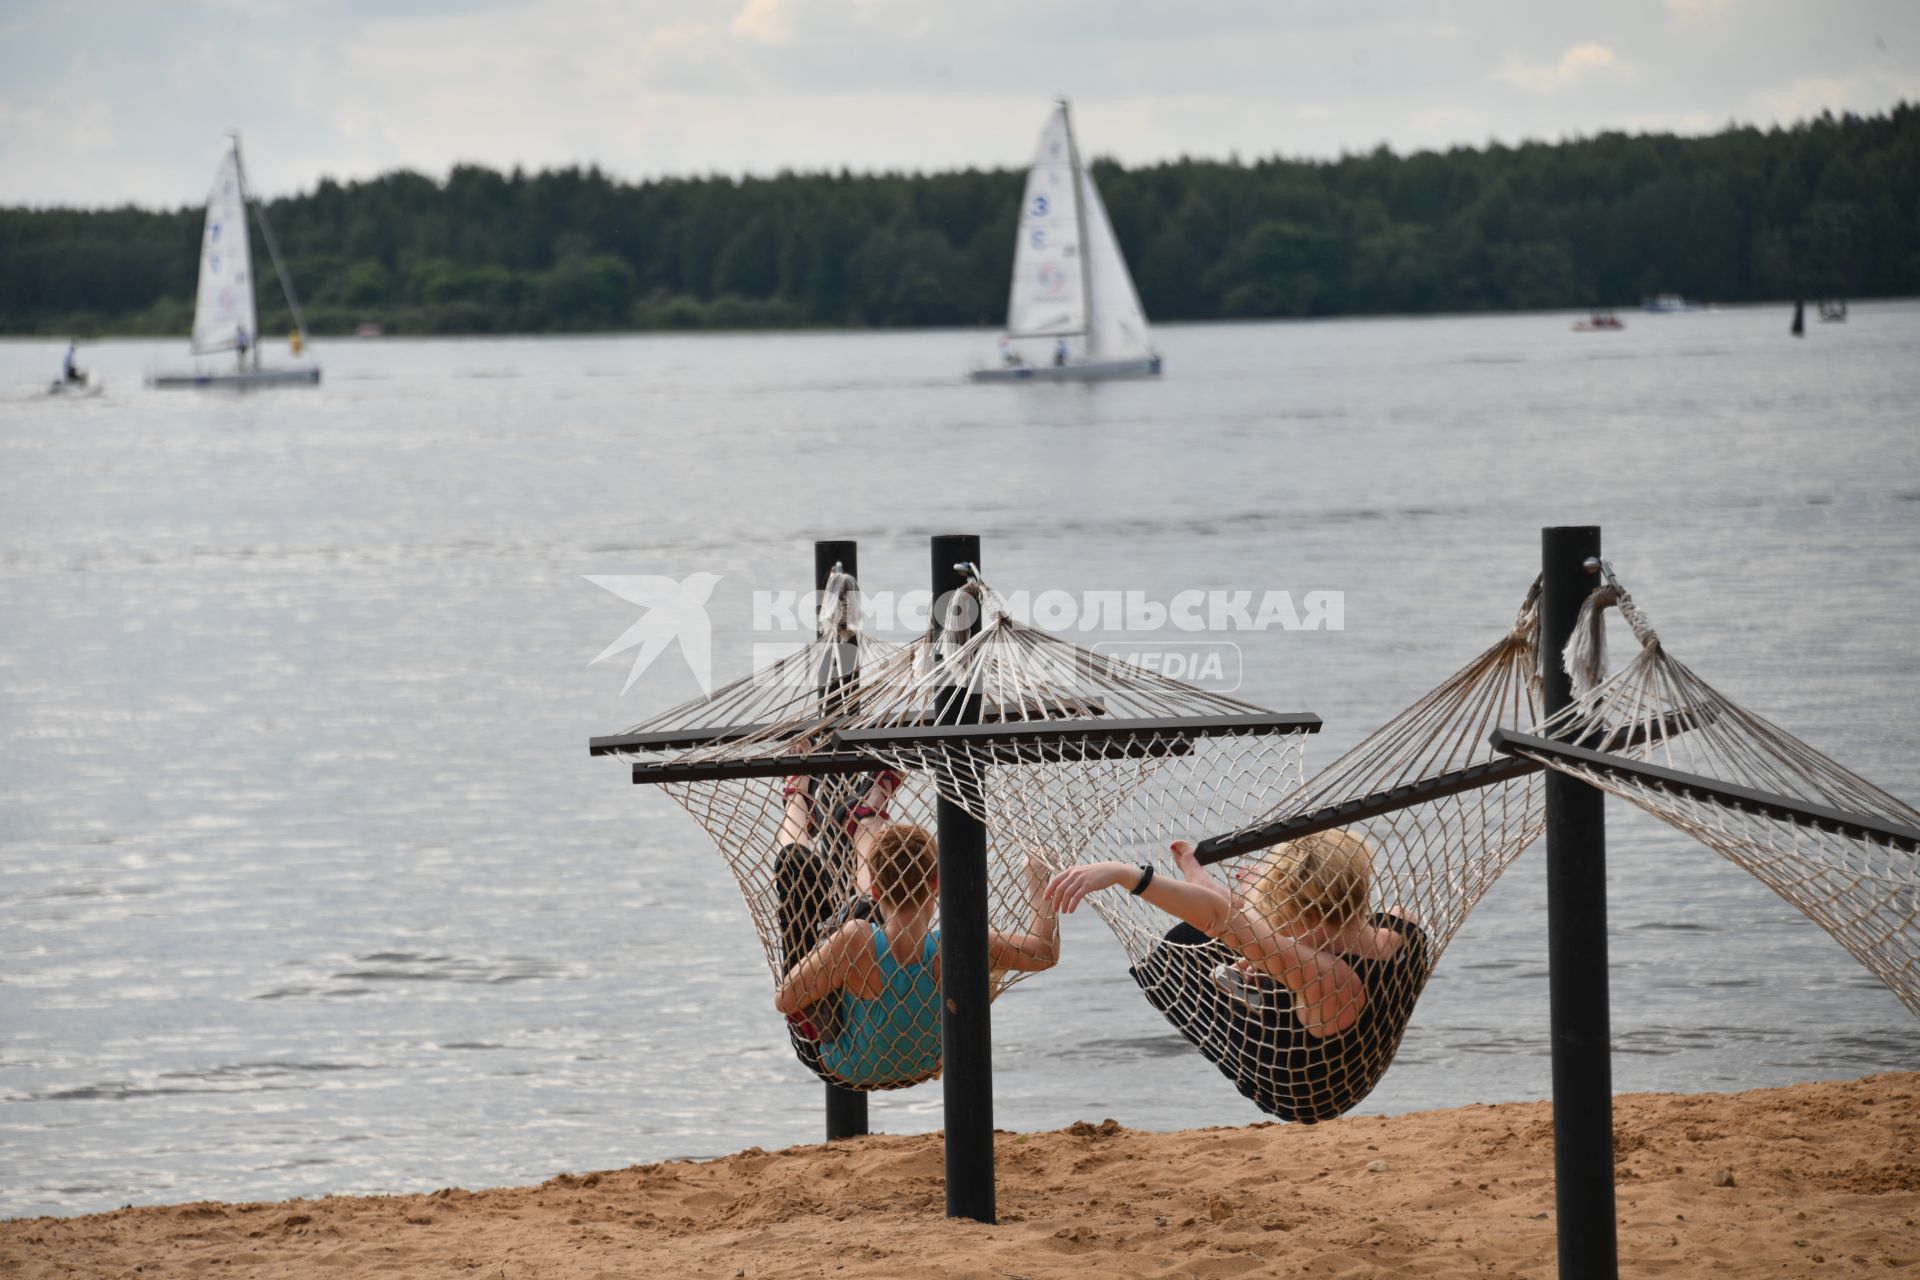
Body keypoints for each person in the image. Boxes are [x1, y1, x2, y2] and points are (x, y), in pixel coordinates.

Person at [1045, 830, 1429, 1122]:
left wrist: (1126, 875)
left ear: (1306, 914)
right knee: (1259, 941)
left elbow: (1220, 919)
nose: (1270, 914)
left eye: (1276, 905)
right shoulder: (1404, 926)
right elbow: (1248, 924)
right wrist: (1199, 877)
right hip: (1349, 1037)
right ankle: (1263, 975)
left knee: (1190, 941)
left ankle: (1256, 984)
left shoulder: (1333, 980)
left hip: (1304, 1088)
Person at [775, 779, 1060, 1088]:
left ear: (876, 888)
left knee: (796, 868)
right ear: (937, 884)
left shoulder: (855, 937)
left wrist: (833, 954)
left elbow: (785, 1001)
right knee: (862, 918)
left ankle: (798, 801)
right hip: (925, 1063)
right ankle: (864, 818)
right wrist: (1038, 877)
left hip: (843, 1067)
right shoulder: (959, 944)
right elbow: (1044, 952)